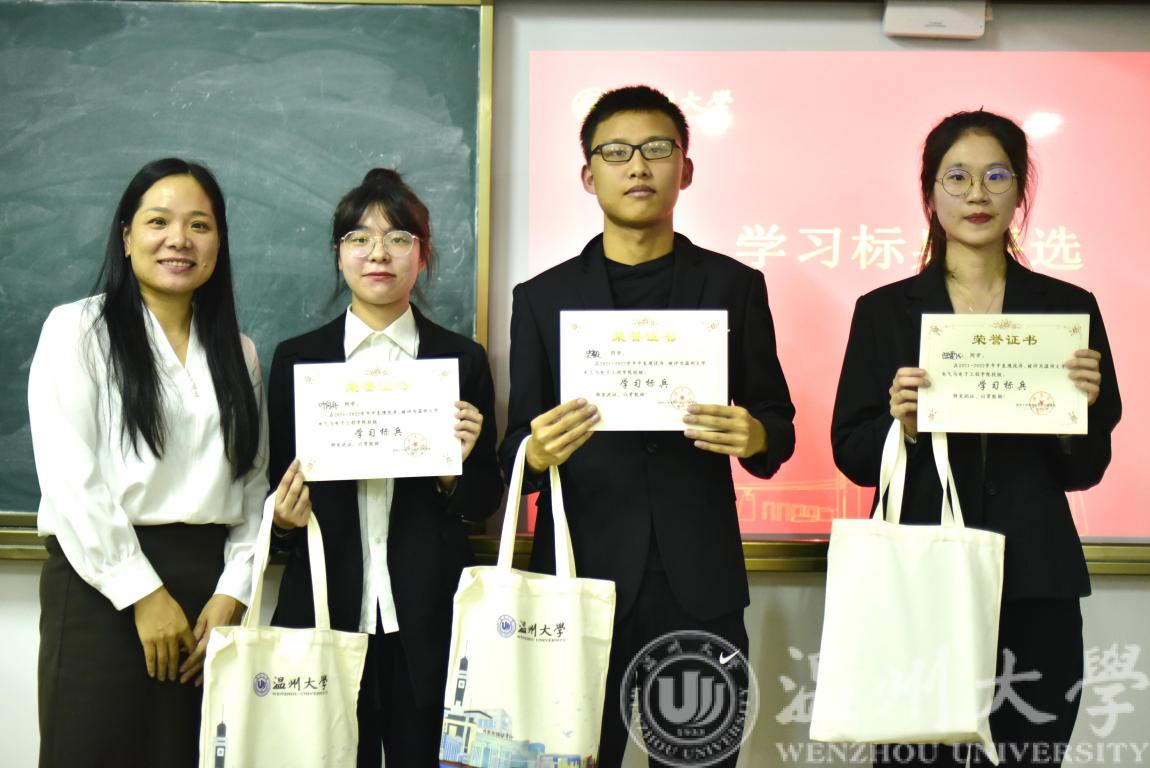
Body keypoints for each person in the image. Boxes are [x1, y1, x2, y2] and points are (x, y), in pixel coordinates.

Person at [500, 85, 795, 767]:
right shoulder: (542, 299)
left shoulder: (734, 287)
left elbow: (776, 423)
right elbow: (515, 445)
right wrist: (535, 453)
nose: (638, 166)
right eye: (617, 152)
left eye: (657, 149)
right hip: (578, 580)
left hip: (699, 581)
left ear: (685, 169)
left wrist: (755, 436)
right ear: (588, 175)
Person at [831, 109, 1122, 767]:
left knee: (1031, 753)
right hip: (921, 580)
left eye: (996, 176)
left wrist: (1079, 410)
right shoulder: (884, 311)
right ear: (930, 193)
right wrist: (901, 428)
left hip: (1035, 578)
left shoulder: (1067, 309)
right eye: (956, 177)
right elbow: (851, 450)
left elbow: (1085, 468)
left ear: (1020, 191)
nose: (976, 194)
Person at [28, 158, 268, 767]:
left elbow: (253, 484)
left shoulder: (239, 352)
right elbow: (70, 477)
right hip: (101, 588)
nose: (179, 240)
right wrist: (141, 593)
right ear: (126, 236)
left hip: (207, 596)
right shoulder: (77, 330)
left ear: (219, 243)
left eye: (199, 225)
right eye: (158, 222)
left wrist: (233, 593)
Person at [266, 168, 503, 767]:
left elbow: (483, 501)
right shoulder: (297, 360)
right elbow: (276, 489)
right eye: (359, 238)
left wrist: (454, 469)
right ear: (338, 254)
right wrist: (283, 519)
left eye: (399, 238)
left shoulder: (460, 359)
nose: (378, 253)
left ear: (422, 256)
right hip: (326, 605)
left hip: (428, 613)